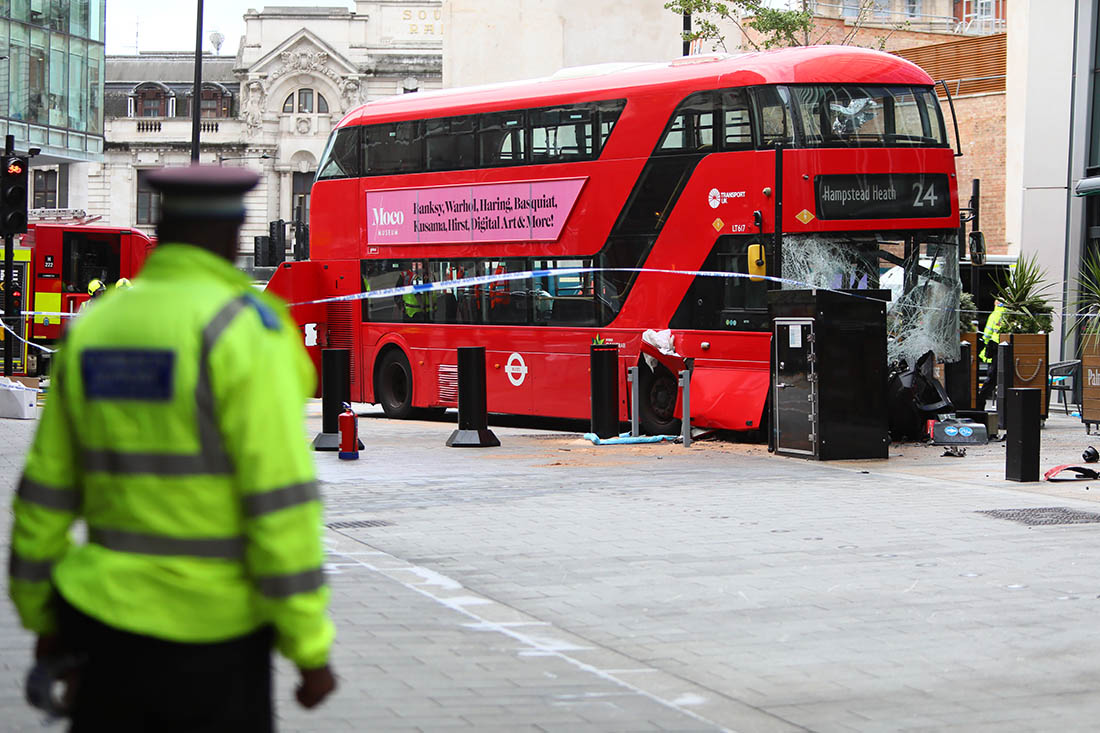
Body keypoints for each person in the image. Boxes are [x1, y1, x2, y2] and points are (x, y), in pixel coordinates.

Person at [8, 165, 336, 731]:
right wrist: (309, 646)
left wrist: (43, 619)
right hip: (218, 635)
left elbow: (44, 494)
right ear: (237, 236)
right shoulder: (249, 331)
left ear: (161, 225)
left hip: (103, 622)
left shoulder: (97, 325)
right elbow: (280, 503)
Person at [977, 298, 1007, 409]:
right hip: (1004, 347)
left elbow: (987, 332)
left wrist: (984, 344)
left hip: (994, 347)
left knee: (992, 377)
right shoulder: (1008, 313)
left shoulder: (995, 314)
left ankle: (981, 401)